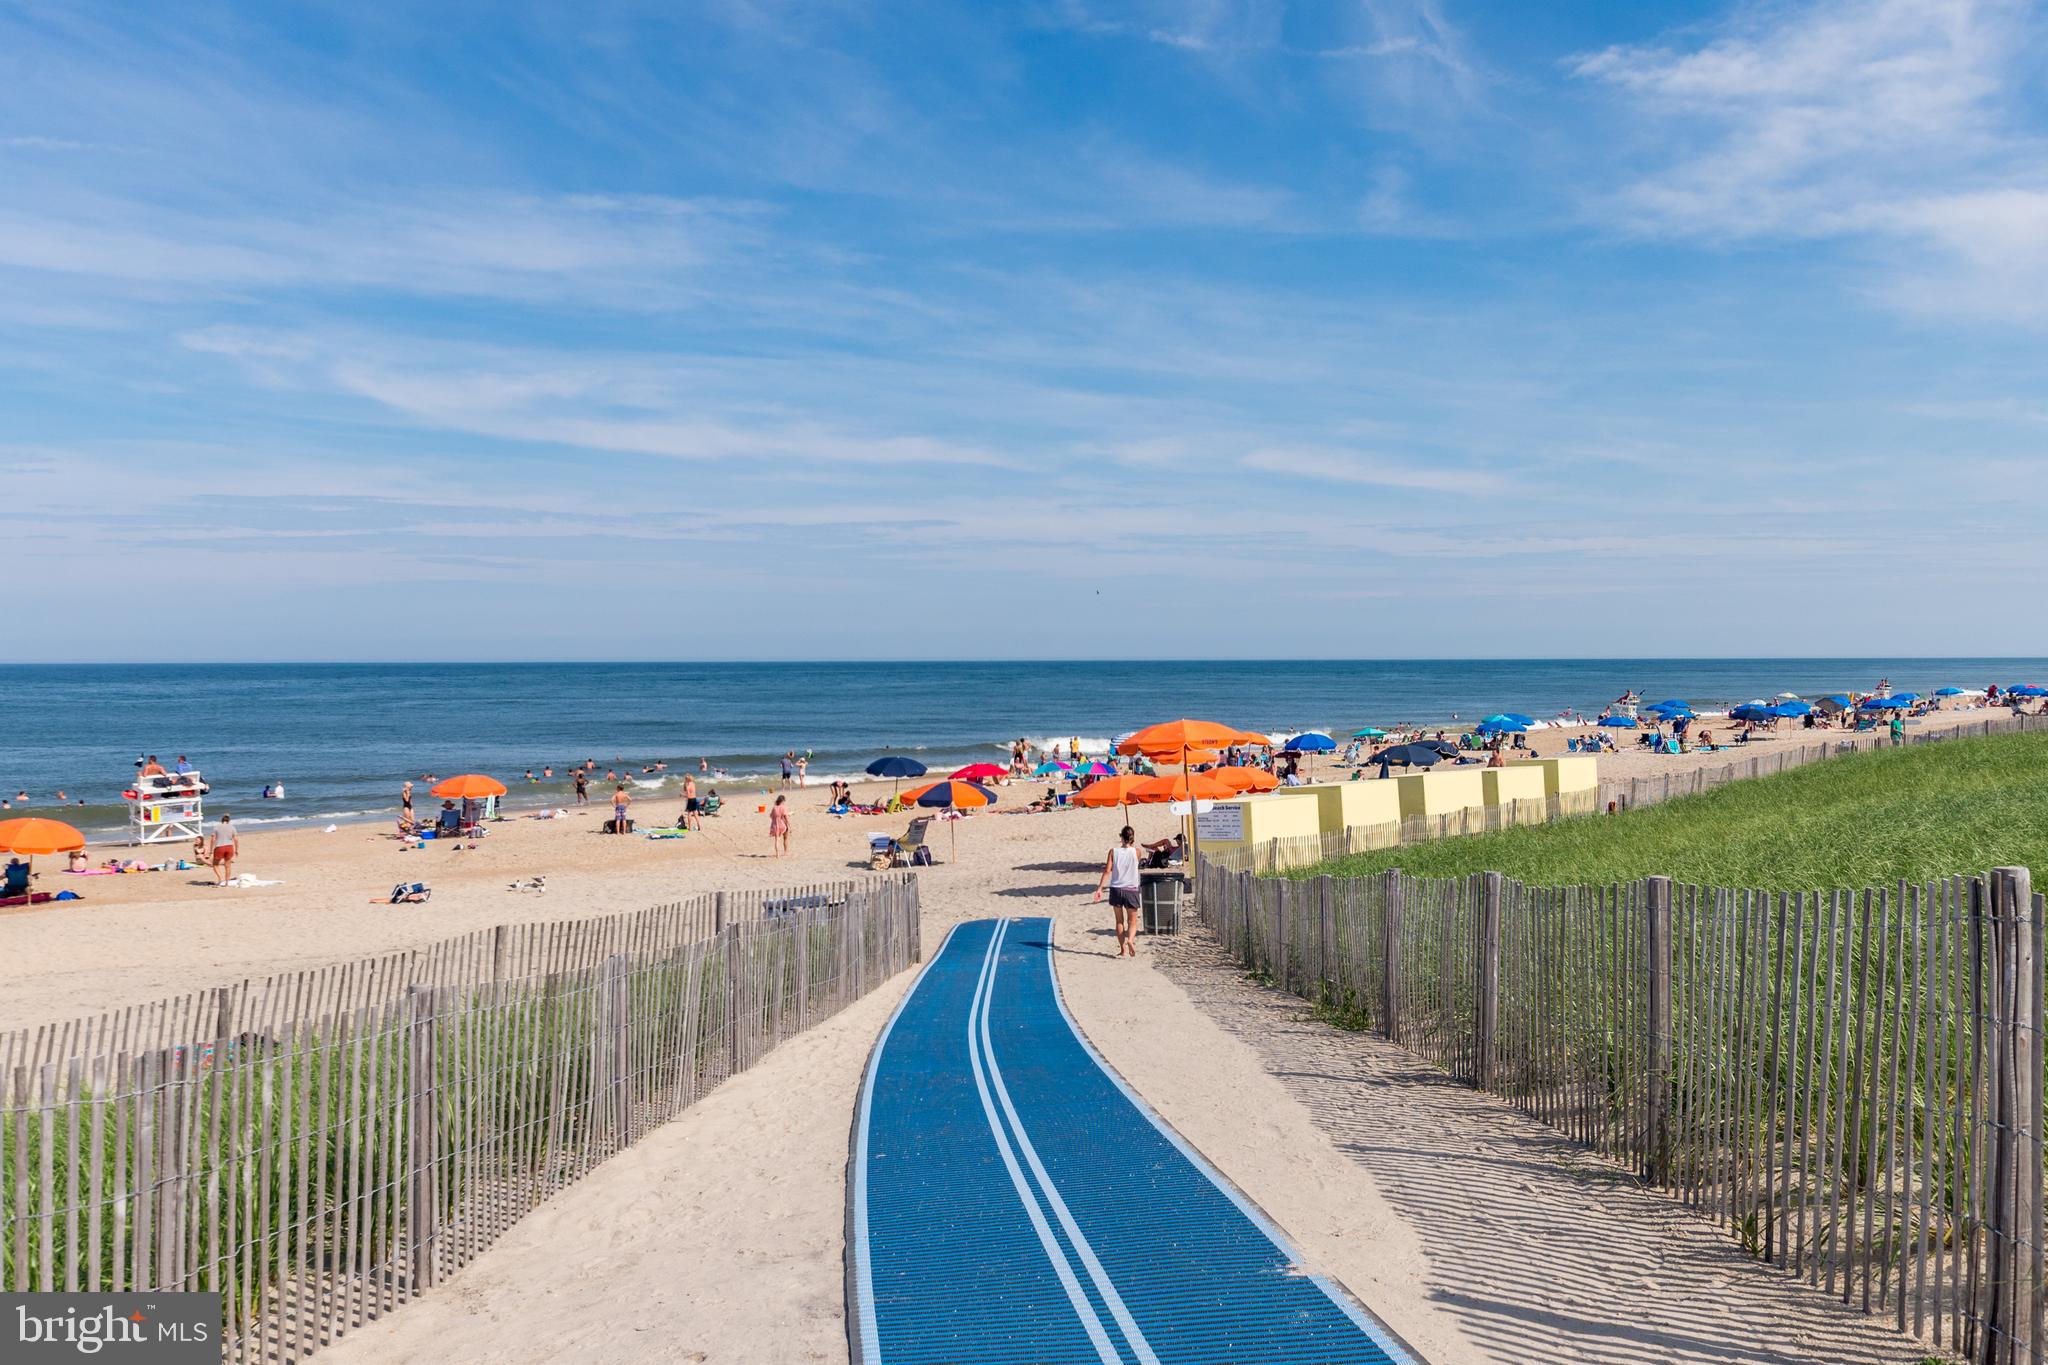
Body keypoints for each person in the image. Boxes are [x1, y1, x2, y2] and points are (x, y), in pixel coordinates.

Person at [1092, 825, 1144, 958]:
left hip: (1116, 889)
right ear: (1132, 838)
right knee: (1132, 921)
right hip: (1131, 889)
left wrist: (1100, 888)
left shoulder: (1113, 852)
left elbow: (1107, 871)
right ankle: (1130, 940)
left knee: (1119, 921)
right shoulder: (1137, 852)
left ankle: (1122, 950)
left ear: (1121, 837)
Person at [209, 813, 240, 886]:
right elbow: (236, 840)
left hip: (219, 847)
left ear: (221, 820)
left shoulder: (216, 827)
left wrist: (211, 850)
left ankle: (220, 878)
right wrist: (236, 850)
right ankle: (226, 882)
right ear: (228, 821)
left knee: (215, 864)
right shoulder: (232, 827)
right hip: (229, 847)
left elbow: (213, 840)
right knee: (228, 866)